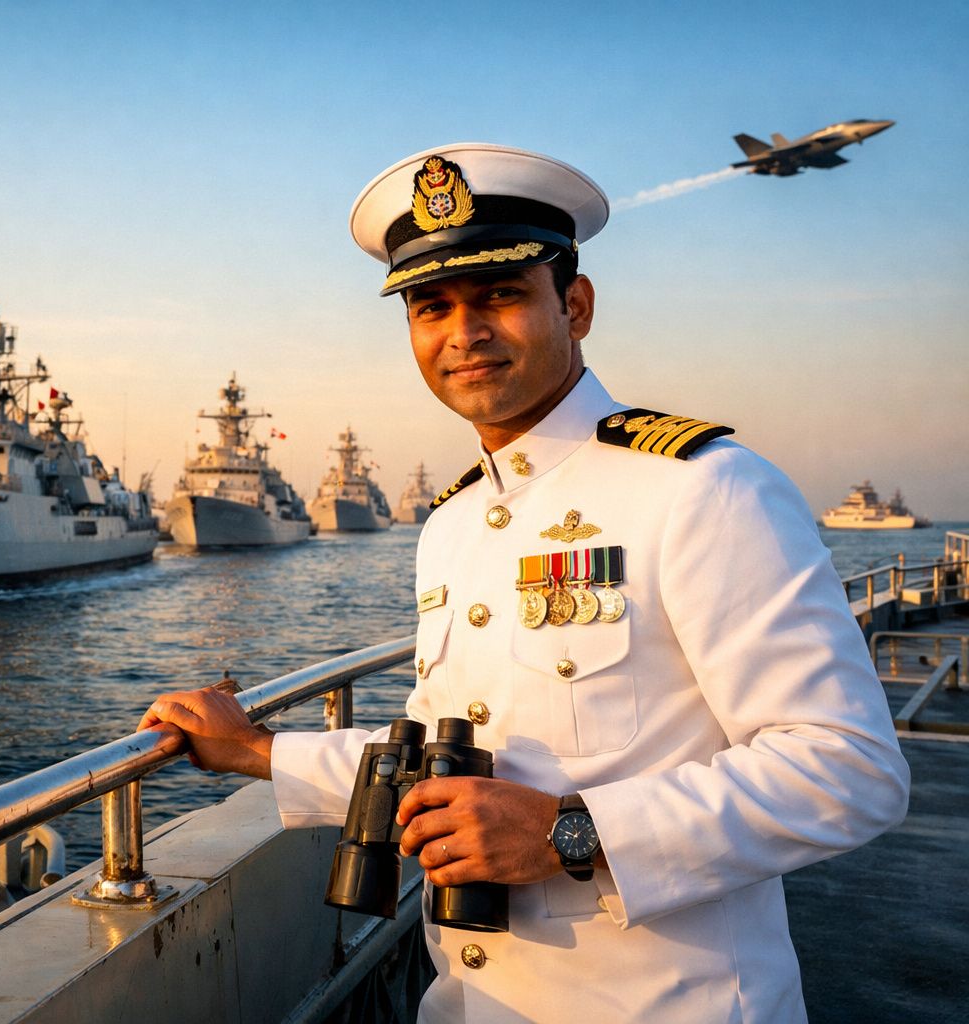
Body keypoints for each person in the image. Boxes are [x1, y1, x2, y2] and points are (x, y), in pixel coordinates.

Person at [141, 143, 909, 1023]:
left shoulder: (701, 486)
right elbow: (453, 752)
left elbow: (848, 770)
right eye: (431, 307)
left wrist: (566, 834)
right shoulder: (452, 524)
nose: (462, 333)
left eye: (500, 295)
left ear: (575, 306)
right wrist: (259, 752)